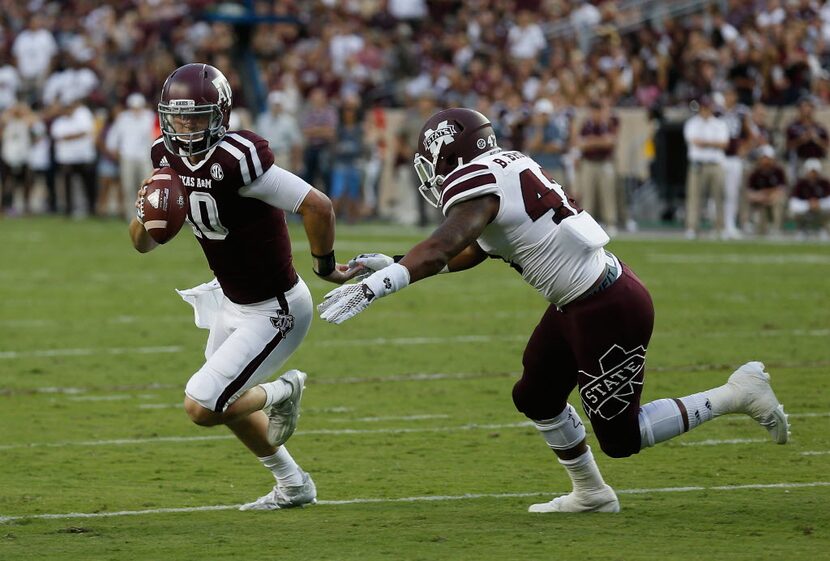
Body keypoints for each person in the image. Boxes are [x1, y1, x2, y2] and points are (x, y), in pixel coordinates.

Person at [318, 108, 790, 513]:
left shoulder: (477, 180)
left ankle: (738, 393)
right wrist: (397, 263)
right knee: (536, 395)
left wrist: (382, 285)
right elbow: (474, 248)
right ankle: (591, 493)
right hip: (582, 300)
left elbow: (443, 246)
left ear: (450, 153)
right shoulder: (507, 165)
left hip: (607, 307)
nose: (431, 172)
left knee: (621, 440)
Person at [128, 63, 360, 511]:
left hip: (276, 309)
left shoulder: (238, 159)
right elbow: (142, 244)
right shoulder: (164, 156)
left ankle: (283, 391)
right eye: (179, 116)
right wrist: (147, 209)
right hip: (230, 299)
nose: (186, 126)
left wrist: (326, 267)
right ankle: (293, 485)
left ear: (220, 115)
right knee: (223, 402)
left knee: (203, 404)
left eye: (197, 116)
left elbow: (318, 206)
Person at [683, 95, 729, 239]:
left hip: (715, 165)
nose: (705, 110)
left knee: (719, 197)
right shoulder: (692, 124)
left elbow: (723, 144)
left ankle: (720, 227)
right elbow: (694, 141)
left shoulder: (719, 124)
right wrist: (713, 143)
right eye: (703, 107)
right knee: (694, 197)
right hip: (698, 165)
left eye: (707, 107)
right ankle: (692, 227)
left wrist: (706, 143)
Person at [106, 93, 156, 220]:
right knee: (128, 187)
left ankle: (148, 214)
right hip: (127, 156)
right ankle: (131, 216)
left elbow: (155, 135)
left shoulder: (150, 117)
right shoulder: (123, 118)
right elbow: (113, 137)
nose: (136, 110)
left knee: (146, 187)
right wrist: (115, 151)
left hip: (145, 157)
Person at [745, 145, 787, 236]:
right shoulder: (755, 173)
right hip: (760, 199)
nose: (766, 161)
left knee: (778, 202)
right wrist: (761, 196)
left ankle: (776, 229)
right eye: (764, 158)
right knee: (749, 203)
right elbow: (750, 193)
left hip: (774, 198)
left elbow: (782, 189)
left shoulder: (778, 171)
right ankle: (749, 225)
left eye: (768, 158)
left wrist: (771, 195)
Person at [789, 158, 830, 241]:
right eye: (811, 171)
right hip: (805, 209)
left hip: (820, 209)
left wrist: (819, 204)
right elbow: (793, 202)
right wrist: (808, 204)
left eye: (814, 171)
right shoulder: (800, 184)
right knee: (794, 212)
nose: (812, 174)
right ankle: (802, 230)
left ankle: (821, 229)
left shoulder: (825, 183)